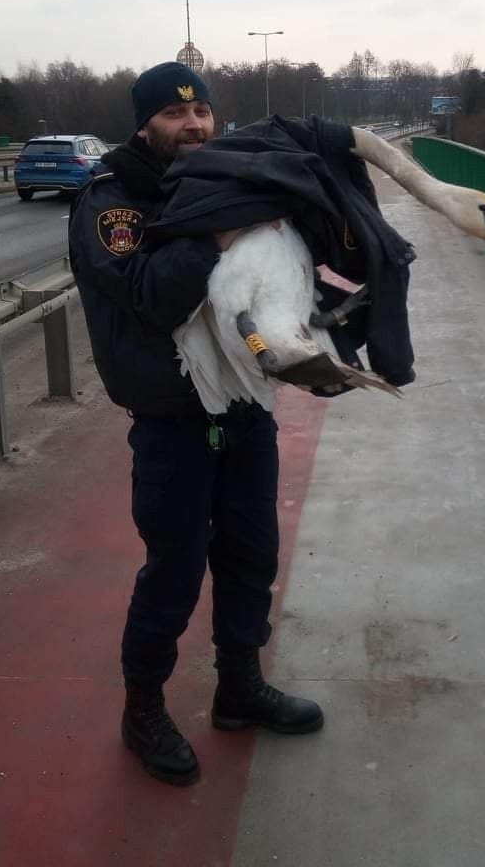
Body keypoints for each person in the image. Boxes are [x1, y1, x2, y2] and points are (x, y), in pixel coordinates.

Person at [68, 62, 323, 787]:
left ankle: (239, 688)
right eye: (178, 117)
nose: (196, 127)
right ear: (146, 123)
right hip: (172, 418)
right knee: (173, 569)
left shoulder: (221, 179)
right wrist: (217, 234)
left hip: (242, 406)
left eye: (203, 113)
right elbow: (147, 296)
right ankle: (142, 707)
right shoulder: (112, 203)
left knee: (251, 555)